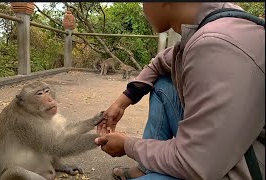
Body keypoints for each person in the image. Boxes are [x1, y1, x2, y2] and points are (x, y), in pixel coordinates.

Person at [95, 2, 265, 180]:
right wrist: (121, 103)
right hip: (221, 148)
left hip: (243, 166)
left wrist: (129, 145)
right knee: (163, 84)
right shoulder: (213, 22)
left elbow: (195, 163)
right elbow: (160, 62)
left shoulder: (215, 44)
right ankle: (146, 168)